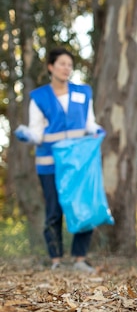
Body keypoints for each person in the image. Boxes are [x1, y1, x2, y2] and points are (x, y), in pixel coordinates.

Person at [14, 47, 104, 272]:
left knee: (81, 207)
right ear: (51, 67)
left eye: (70, 65)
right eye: (62, 63)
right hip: (49, 163)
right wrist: (26, 135)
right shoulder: (39, 97)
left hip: (77, 164)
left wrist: (98, 130)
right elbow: (37, 133)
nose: (67, 68)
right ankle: (56, 260)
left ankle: (80, 258)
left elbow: (89, 123)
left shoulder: (83, 93)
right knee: (53, 211)